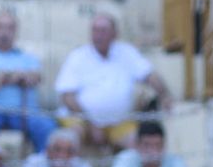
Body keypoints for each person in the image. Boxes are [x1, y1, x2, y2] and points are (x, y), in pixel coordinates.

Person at [54, 13, 171, 149]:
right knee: (69, 139)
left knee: (139, 145)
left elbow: (150, 76)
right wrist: (91, 123)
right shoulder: (77, 56)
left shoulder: (127, 52)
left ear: (115, 34)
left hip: (119, 122)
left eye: (103, 31)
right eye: (95, 30)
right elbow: (67, 97)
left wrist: (165, 95)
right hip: (81, 120)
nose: (98, 35)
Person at [0, 9, 54, 153]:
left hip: (23, 113)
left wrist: (3, 76)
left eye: (10, 28)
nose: (4, 32)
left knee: (46, 126)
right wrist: (16, 77)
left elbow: (36, 77)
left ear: (16, 32)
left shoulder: (27, 57)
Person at [107, 119, 188, 167]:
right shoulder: (125, 159)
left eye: (157, 145)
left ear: (164, 145)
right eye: (147, 145)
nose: (153, 151)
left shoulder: (174, 161)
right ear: (137, 145)